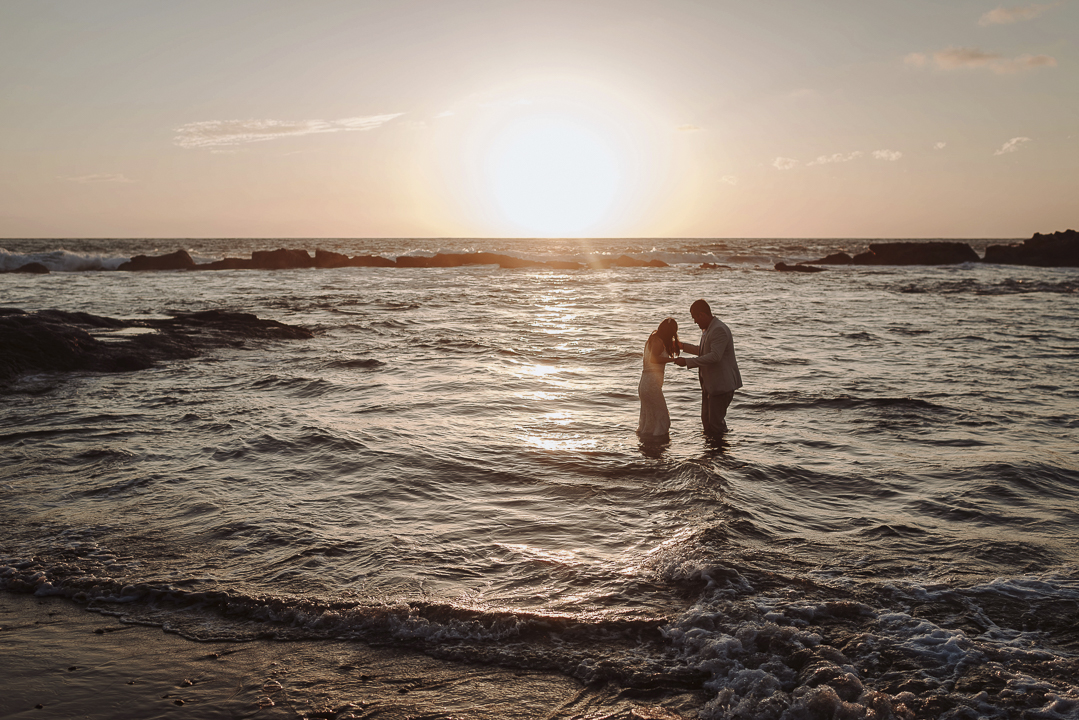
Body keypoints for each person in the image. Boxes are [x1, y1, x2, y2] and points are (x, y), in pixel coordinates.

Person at [673, 299, 742, 436]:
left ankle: (719, 454)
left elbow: (715, 356)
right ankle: (711, 454)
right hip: (710, 385)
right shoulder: (709, 328)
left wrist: (687, 362)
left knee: (715, 425)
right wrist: (682, 346)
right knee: (707, 422)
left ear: (702, 314)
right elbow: (703, 351)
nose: (695, 322)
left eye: (695, 318)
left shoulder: (718, 330)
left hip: (721, 386)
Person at [637, 317, 680, 439]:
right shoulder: (658, 341)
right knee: (662, 417)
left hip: (644, 383)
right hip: (651, 384)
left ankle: (648, 447)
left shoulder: (652, 340)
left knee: (649, 418)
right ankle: (658, 446)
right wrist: (673, 360)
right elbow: (654, 359)